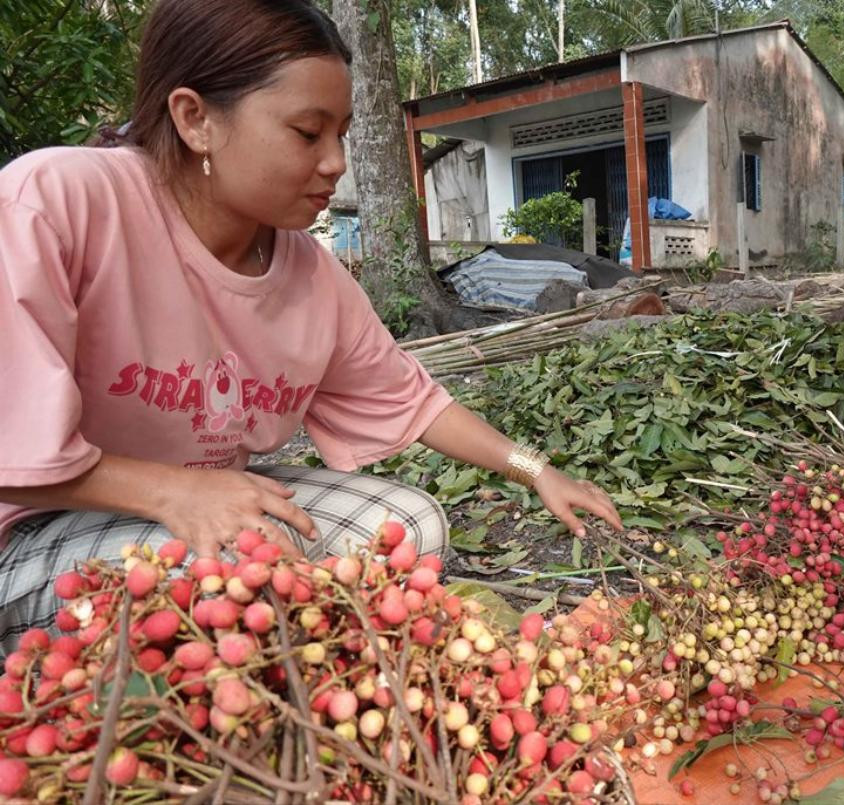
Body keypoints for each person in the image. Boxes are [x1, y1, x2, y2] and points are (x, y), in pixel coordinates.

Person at [0, 0, 621, 652]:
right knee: (234, 581)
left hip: (208, 503)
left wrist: (537, 468)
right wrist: (174, 490)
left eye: (342, 134)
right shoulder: (55, 204)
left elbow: (414, 400)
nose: (336, 163)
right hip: (36, 525)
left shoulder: (309, 275)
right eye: (307, 132)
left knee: (410, 526)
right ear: (195, 119)